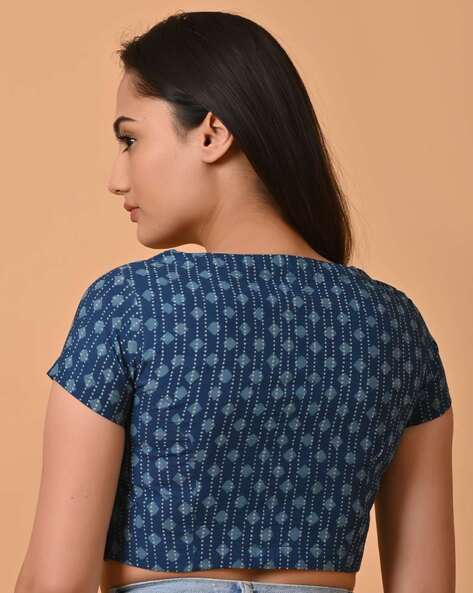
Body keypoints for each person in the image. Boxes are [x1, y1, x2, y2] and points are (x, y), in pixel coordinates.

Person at [14, 10, 455, 593]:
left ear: (211, 134)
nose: (117, 178)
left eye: (131, 139)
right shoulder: (397, 328)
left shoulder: (132, 306)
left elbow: (54, 582)